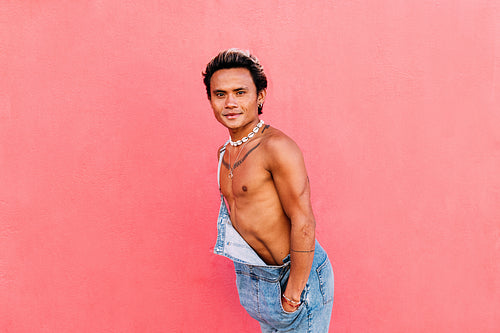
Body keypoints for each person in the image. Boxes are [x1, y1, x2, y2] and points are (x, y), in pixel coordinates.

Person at [203, 49, 334, 332]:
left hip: (295, 280)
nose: (230, 103)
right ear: (211, 100)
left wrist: (293, 295)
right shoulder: (224, 153)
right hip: (262, 282)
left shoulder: (277, 148)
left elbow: (304, 221)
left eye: (240, 92)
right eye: (220, 94)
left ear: (260, 96)